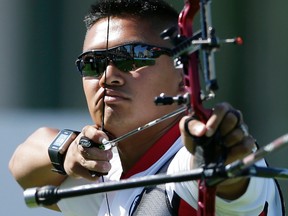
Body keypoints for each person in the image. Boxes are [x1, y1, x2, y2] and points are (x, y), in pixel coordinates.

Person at [9, 0, 284, 215]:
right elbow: (21, 164)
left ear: (185, 76)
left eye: (133, 58)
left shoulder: (185, 161)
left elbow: (233, 190)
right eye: (93, 63)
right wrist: (67, 152)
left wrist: (223, 161)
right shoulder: (105, 169)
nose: (108, 76)